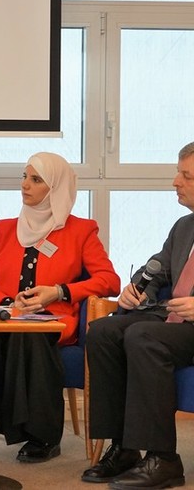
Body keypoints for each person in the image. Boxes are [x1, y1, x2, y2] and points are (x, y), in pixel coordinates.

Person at [0, 151, 120, 463]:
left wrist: (59, 291)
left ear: (55, 187)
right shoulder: (3, 230)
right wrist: (9, 303)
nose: (25, 185)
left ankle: (43, 436)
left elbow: (110, 281)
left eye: (36, 179)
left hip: (52, 321)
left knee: (30, 335)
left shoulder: (81, 231)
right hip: (6, 316)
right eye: (24, 177)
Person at [82, 143, 194, 489]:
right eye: (178, 172)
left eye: (187, 175)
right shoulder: (184, 227)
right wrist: (137, 288)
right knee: (104, 331)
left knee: (143, 336)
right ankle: (124, 448)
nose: (175, 181)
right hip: (174, 322)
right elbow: (156, 268)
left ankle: (164, 459)